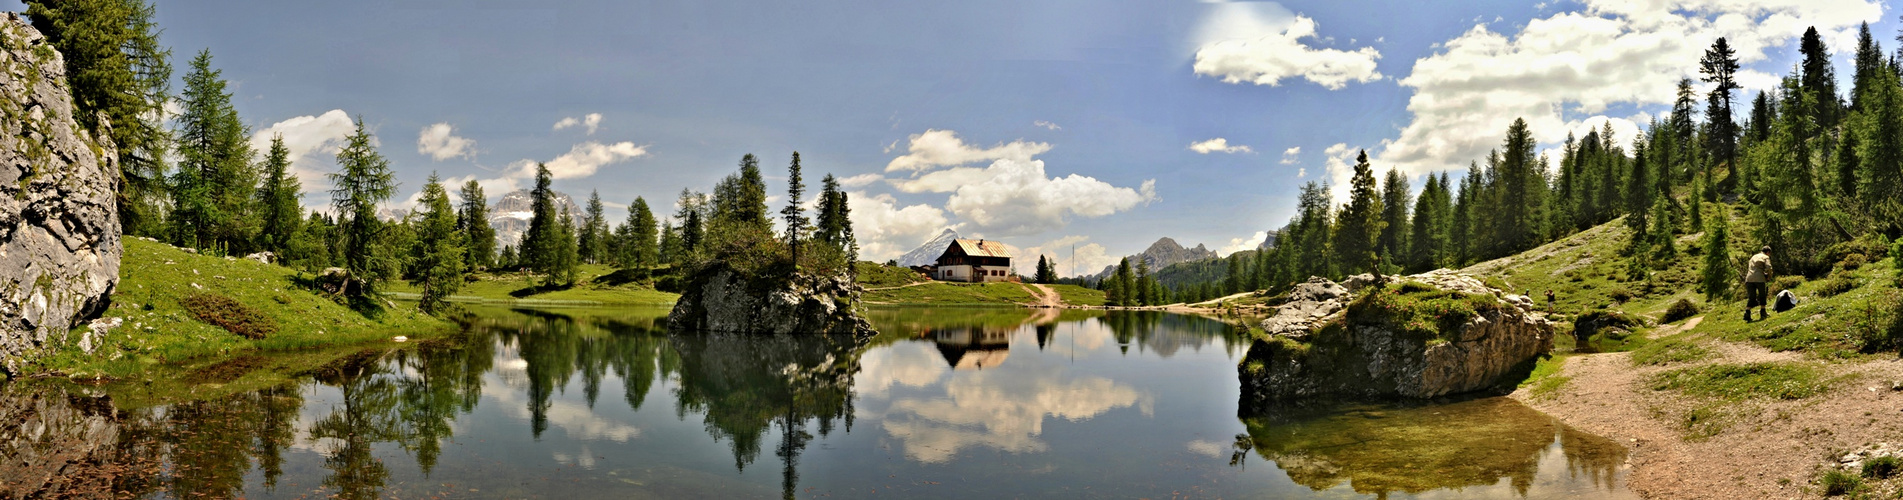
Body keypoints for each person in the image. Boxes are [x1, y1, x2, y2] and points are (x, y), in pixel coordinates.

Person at [1744, 245, 1772, 321]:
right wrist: (1769, 276)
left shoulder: (1753, 257)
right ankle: (1763, 312)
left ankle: (1747, 312)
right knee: (1762, 295)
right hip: (1759, 278)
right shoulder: (1765, 257)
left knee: (1751, 297)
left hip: (1749, 278)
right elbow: (1769, 267)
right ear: (1768, 252)